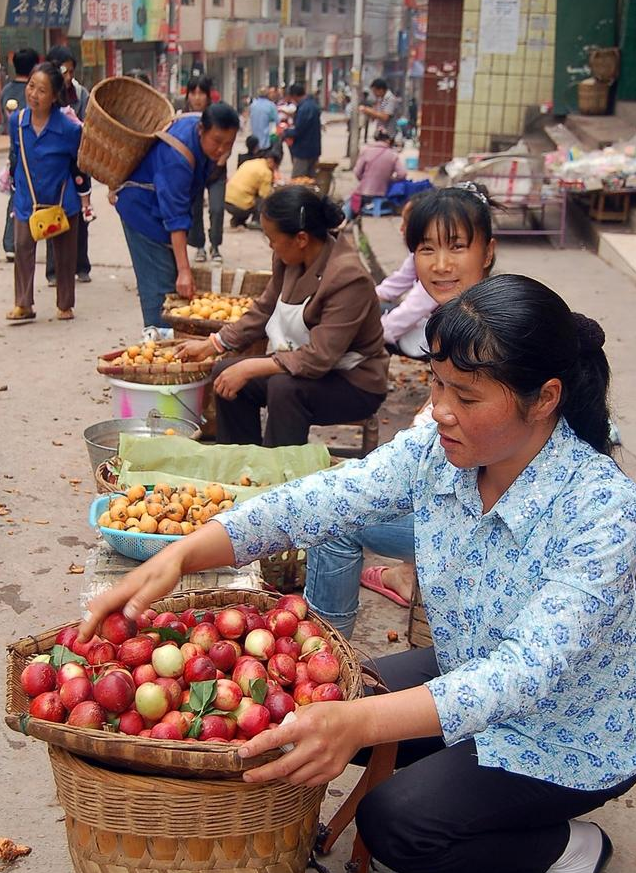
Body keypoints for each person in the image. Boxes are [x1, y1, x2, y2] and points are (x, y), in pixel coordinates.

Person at [82, 275, 636, 873]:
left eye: (467, 398)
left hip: (569, 732)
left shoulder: (602, 511)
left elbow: (525, 672)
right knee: (314, 704)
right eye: (436, 384)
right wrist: (183, 554)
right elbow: (325, 498)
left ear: (545, 398)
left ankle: (566, 847)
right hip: (466, 666)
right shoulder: (436, 453)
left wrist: (363, 722)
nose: (441, 412)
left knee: (398, 822)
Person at [307, 182, 496, 630]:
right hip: (452, 496)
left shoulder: (498, 328)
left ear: (487, 251)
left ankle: (325, 659)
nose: (442, 264)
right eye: (426, 249)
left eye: (457, 247)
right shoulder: (452, 322)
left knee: (335, 523)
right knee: (335, 496)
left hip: (484, 521)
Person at [176, 186, 388, 447]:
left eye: (272, 238)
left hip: (353, 383)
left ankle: (279, 475)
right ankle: (240, 461)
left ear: (301, 239)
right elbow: (264, 310)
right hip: (304, 366)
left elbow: (319, 357)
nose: (270, 245)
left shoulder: (348, 278)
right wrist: (212, 345)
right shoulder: (289, 259)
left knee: (283, 387)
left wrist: (249, 366)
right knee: (226, 372)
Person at [114, 102, 239, 329]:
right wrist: (184, 271)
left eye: (228, 144)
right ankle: (156, 341)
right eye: (217, 141)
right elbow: (176, 218)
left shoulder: (197, 134)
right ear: (201, 129)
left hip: (160, 209)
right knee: (160, 286)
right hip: (142, 211)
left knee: (169, 278)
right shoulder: (178, 158)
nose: (222, 149)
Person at [6, 61, 90, 322]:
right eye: (31, 86)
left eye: (42, 91)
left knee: (65, 255)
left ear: (54, 96)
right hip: (27, 200)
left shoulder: (69, 129)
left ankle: (65, 304)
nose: (33, 94)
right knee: (22, 247)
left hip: (61, 200)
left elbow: (79, 166)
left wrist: (85, 196)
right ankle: (24, 304)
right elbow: (15, 155)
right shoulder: (17, 122)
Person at [45, 46, 92, 286]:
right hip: (53, 163)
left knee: (80, 215)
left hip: (78, 161)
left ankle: (81, 266)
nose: (68, 77)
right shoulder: (45, 92)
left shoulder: (80, 93)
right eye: (64, 71)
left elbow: (87, 125)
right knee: (51, 216)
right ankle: (53, 270)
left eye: (71, 71)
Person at [182, 76, 228, 263]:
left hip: (216, 170)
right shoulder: (182, 116)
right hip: (192, 171)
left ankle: (215, 245)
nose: (197, 98)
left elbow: (228, 139)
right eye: (193, 93)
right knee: (195, 209)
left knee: (217, 209)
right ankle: (199, 245)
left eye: (201, 93)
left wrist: (221, 159)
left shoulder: (217, 114)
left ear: (208, 95)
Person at [1, 47, 39, 263]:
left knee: (18, 193)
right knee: (24, 194)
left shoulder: (6, 91)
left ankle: (11, 243)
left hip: (15, 150)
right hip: (32, 149)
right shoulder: (34, 92)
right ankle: (14, 241)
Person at [343, 130, 407, 220]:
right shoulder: (393, 154)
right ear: (388, 140)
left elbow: (357, 172)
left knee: (350, 200)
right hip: (383, 193)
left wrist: (364, 179)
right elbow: (402, 174)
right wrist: (391, 180)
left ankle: (344, 222)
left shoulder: (366, 151)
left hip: (364, 193)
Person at [224, 148, 281, 229]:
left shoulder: (250, 162)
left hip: (226, 198)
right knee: (262, 200)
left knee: (247, 194)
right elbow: (265, 195)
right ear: (272, 162)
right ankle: (256, 221)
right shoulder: (266, 172)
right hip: (240, 204)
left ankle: (237, 221)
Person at [283, 83, 321, 179]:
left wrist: (286, 132)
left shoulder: (304, 108)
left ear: (294, 96)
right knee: (311, 180)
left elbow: (299, 130)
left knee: (298, 180)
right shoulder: (313, 105)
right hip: (314, 149)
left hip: (303, 150)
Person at [360, 77, 399, 141]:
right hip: (381, 134)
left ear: (381, 90)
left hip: (388, 135)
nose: (374, 94)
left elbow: (385, 117)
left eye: (375, 91)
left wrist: (368, 110)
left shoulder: (389, 99)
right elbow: (378, 114)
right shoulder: (382, 99)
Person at [249, 86, 278, 151]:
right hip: (266, 139)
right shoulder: (271, 105)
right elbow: (276, 120)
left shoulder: (253, 105)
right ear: (267, 94)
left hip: (255, 138)